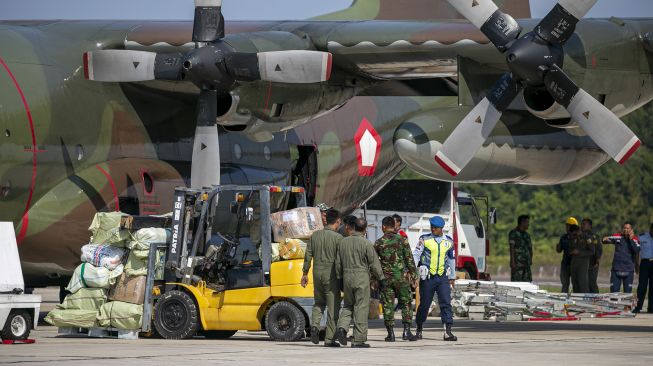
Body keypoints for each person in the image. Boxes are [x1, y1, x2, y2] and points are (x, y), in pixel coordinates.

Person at [334, 218, 383, 348]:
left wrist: (339, 279)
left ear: (353, 227)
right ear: (365, 229)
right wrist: (380, 278)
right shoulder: (366, 243)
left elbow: (338, 263)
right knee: (361, 307)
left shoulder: (343, 242)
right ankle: (358, 340)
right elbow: (374, 263)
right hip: (361, 277)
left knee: (348, 305)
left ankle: (341, 329)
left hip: (347, 277)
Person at [301, 208, 343, 347]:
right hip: (331, 275)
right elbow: (340, 260)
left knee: (318, 303)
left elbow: (308, 255)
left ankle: (315, 326)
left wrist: (305, 273)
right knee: (333, 307)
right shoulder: (339, 238)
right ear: (337, 221)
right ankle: (329, 339)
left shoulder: (315, 235)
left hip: (316, 273)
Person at [374, 216, 419, 342]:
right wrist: (414, 276)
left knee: (387, 305)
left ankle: (391, 334)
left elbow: (374, 264)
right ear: (394, 226)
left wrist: (374, 280)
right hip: (402, 278)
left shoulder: (378, 243)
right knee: (406, 303)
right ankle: (406, 332)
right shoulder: (402, 240)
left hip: (386, 279)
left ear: (383, 227)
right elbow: (409, 260)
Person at [413, 216, 457, 342]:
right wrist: (413, 273)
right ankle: (419, 329)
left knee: (446, 303)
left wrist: (452, 277)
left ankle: (448, 332)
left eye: (436, 228)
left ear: (441, 228)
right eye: (432, 227)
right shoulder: (424, 239)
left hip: (442, 277)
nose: (433, 229)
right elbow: (416, 255)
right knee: (424, 305)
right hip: (427, 278)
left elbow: (451, 260)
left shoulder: (448, 242)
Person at [603, 222, 640, 293]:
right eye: (624, 228)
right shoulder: (618, 236)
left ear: (631, 230)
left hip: (628, 270)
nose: (626, 230)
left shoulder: (635, 239)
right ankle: (614, 304)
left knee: (627, 294)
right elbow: (605, 240)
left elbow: (636, 250)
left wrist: (631, 239)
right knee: (614, 294)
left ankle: (626, 304)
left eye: (628, 228)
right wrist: (605, 239)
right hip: (616, 269)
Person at [569, 224, 594, 293]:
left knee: (583, 284)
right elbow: (569, 248)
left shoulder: (587, 238)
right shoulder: (572, 238)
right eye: (572, 234)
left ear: (578, 231)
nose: (574, 235)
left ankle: (585, 301)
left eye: (575, 234)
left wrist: (579, 252)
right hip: (574, 264)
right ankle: (576, 301)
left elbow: (592, 251)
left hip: (583, 265)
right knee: (575, 284)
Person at [634, 223, 653, 313]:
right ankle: (638, 307)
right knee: (642, 286)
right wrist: (636, 264)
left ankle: (651, 308)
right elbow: (637, 251)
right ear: (650, 229)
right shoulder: (642, 237)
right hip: (645, 263)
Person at [556, 217, 578, 293]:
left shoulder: (578, 237)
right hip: (565, 264)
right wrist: (558, 246)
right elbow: (559, 250)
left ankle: (576, 300)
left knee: (576, 284)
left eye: (568, 226)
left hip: (575, 264)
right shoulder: (564, 237)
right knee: (565, 284)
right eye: (567, 226)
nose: (567, 228)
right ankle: (564, 300)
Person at [509, 215, 533, 282]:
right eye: (527, 222)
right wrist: (512, 262)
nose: (528, 224)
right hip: (517, 264)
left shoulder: (527, 235)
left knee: (527, 283)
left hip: (526, 264)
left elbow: (530, 248)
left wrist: (531, 259)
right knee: (516, 283)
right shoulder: (513, 233)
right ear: (522, 222)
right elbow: (512, 248)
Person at [582, 218, 602, 293]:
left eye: (584, 224)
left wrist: (597, 259)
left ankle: (596, 301)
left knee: (591, 283)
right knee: (583, 284)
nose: (582, 226)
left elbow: (599, 248)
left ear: (589, 226)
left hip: (592, 264)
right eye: (581, 224)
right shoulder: (580, 236)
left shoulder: (594, 237)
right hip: (582, 264)